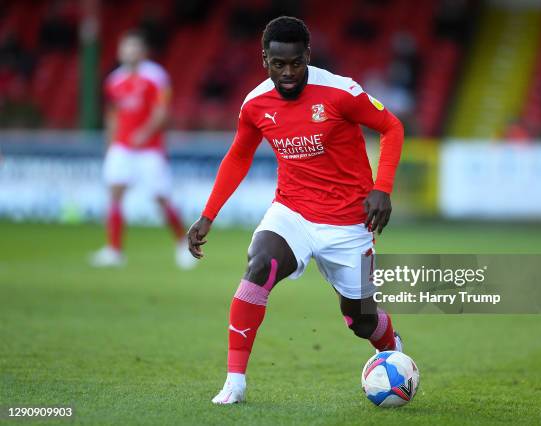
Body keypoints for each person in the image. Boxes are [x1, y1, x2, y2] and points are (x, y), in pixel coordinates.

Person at [187, 16, 404, 404]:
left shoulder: (340, 92)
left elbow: (392, 127)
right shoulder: (255, 104)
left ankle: (391, 348)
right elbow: (238, 156)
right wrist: (208, 215)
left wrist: (381, 188)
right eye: (277, 64)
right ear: (264, 60)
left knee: (360, 320)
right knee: (260, 265)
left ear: (308, 55)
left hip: (349, 223)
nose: (287, 73)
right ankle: (235, 381)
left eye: (295, 64)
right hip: (292, 213)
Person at [90, 30, 195, 269]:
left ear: (143, 51)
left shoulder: (156, 77)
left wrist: (145, 133)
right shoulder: (113, 81)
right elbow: (112, 115)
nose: (130, 52)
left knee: (160, 197)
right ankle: (114, 250)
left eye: (134, 47)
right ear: (119, 52)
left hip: (149, 149)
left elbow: (162, 112)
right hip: (122, 147)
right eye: (126, 48)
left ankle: (183, 244)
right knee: (115, 193)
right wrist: (111, 144)